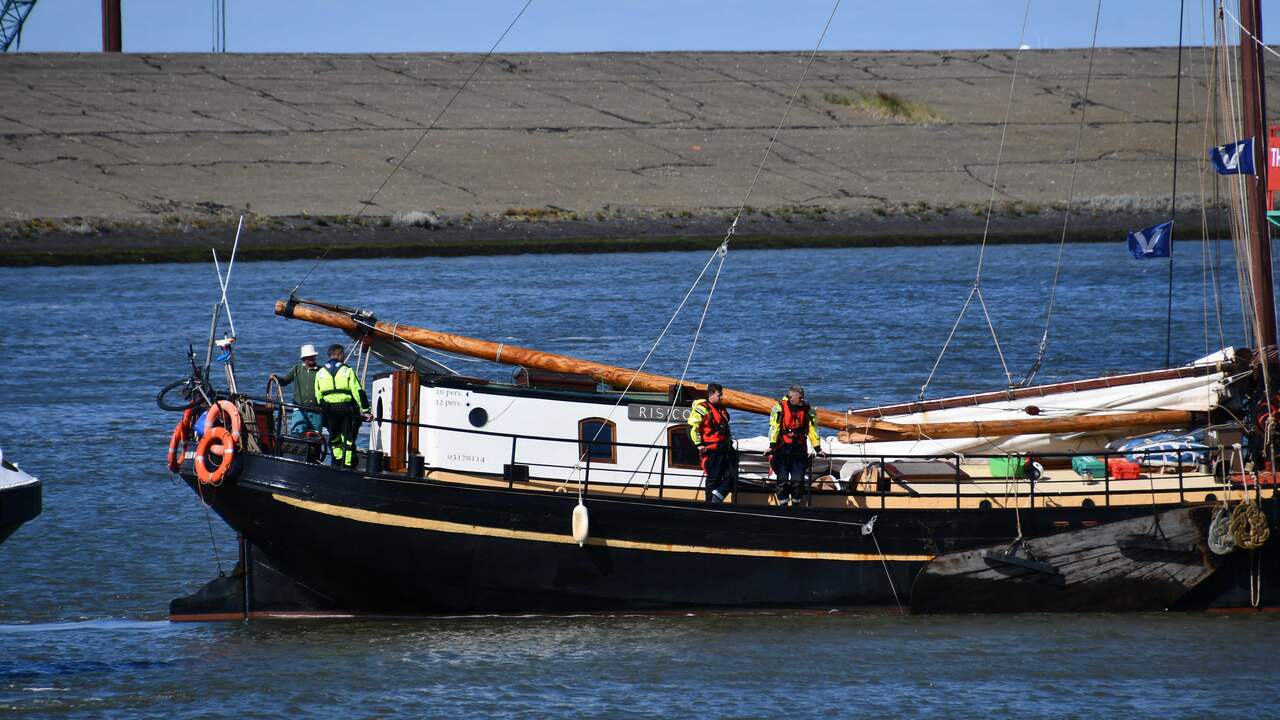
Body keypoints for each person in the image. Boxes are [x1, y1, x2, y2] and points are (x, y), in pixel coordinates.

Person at [315, 343, 371, 468]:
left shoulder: (320, 372)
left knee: (334, 438)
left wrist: (324, 409)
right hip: (346, 410)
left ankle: (336, 462)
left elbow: (318, 396)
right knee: (348, 438)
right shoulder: (347, 370)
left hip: (329, 411)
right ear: (340, 355)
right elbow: (358, 391)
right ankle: (347, 464)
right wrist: (366, 410)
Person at [768, 385, 825, 507]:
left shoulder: (808, 410)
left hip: (799, 449)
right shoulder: (779, 408)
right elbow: (774, 427)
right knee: (782, 479)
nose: (803, 399)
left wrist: (818, 448)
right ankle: (782, 505)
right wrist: (772, 446)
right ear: (791, 397)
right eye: (800, 397)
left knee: (798, 481)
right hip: (782, 449)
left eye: (803, 397)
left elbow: (813, 429)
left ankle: (796, 504)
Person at [688, 383, 735, 503]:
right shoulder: (702, 408)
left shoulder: (721, 409)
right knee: (713, 478)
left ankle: (717, 496)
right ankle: (710, 505)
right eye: (719, 395)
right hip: (712, 450)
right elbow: (692, 428)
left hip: (725, 448)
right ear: (711, 394)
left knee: (732, 475)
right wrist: (699, 445)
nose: (721, 397)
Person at [270, 344, 322, 435]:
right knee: (297, 432)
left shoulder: (321, 371)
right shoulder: (297, 369)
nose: (311, 358)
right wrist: (277, 378)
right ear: (303, 358)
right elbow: (285, 381)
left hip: (316, 410)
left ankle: (315, 449)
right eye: (308, 357)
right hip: (299, 409)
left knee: (316, 436)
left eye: (312, 356)